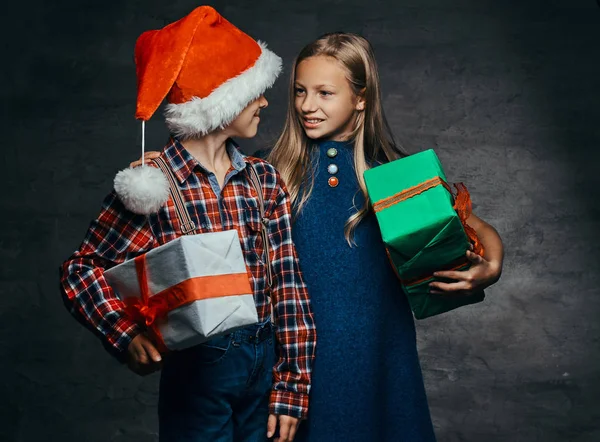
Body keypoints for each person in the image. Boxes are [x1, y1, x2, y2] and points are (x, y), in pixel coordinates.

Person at [136, 31, 504, 441]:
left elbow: (473, 226)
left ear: (360, 98)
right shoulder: (267, 174)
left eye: (325, 93)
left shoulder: (391, 176)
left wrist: (491, 265)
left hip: (377, 359)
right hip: (297, 365)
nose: (307, 106)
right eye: (299, 91)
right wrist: (168, 171)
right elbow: (207, 215)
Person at [59, 6, 316, 442]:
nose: (266, 101)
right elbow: (80, 272)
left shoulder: (264, 180)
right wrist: (125, 334)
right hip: (197, 378)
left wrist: (292, 387)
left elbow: (289, 286)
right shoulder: (153, 185)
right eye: (254, 91)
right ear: (222, 98)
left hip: (265, 373)